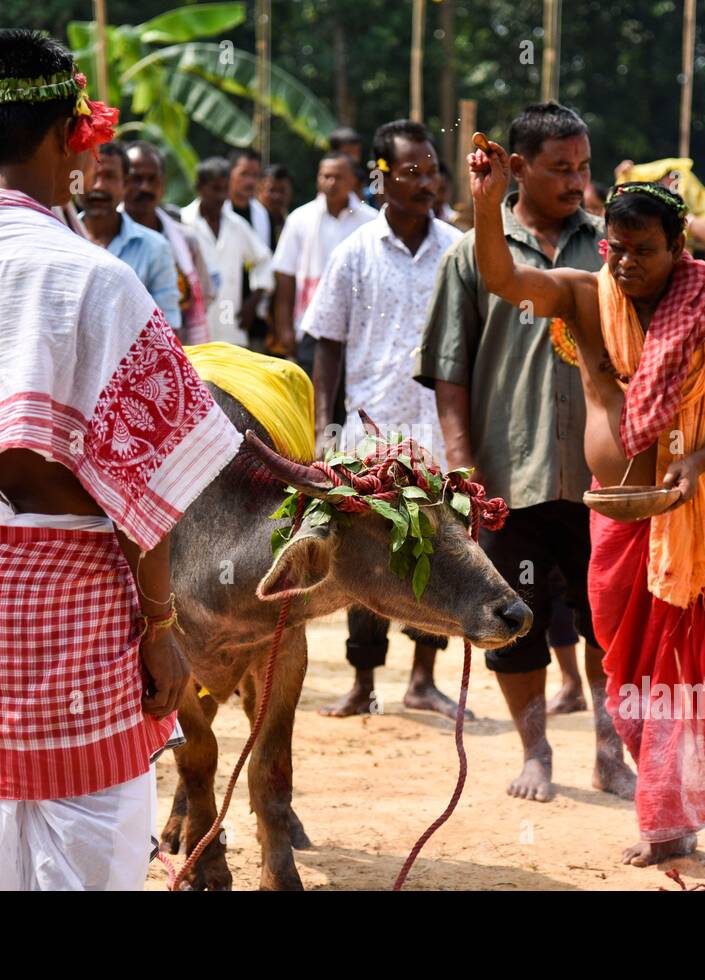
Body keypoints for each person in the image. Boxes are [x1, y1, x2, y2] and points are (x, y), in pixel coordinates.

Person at [0, 29, 241, 890]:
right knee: (91, 837)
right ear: (74, 137)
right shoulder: (92, 279)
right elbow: (148, 490)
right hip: (82, 600)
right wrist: (161, 629)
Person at [470, 139, 705, 865]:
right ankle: (669, 817)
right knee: (632, 666)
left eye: (642, 252)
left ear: (677, 249)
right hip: (617, 517)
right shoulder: (583, 293)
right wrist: (484, 200)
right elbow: (502, 276)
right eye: (616, 248)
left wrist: (698, 461)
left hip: (704, 513)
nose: (625, 264)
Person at [418, 103, 633, 803]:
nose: (578, 182)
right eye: (561, 169)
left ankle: (610, 752)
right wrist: (462, 465)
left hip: (603, 475)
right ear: (518, 168)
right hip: (508, 475)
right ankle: (535, 753)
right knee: (516, 620)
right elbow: (450, 370)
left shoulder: (613, 250)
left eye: (585, 167)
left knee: (609, 622)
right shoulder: (471, 254)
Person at [301, 119, 462, 720]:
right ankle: (363, 683)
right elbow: (329, 347)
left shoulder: (458, 250)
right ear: (382, 177)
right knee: (365, 557)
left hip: (440, 429)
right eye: (411, 171)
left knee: (440, 552)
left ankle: (424, 677)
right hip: (370, 434)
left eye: (432, 169)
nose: (426, 182)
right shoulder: (353, 253)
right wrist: (324, 428)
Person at [271, 152, 376, 363]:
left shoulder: (371, 222)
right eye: (325, 176)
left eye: (338, 177)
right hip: (309, 325)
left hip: (359, 328)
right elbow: (285, 277)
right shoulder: (299, 219)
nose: (330, 182)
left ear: (353, 181)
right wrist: (284, 329)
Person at [79, 141, 181, 331]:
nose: (99, 186)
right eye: (90, 174)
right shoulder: (61, 240)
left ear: (125, 184)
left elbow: (168, 327)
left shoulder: (155, 248)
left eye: (109, 176)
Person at [122, 141, 213, 345]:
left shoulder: (186, 241)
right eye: (135, 178)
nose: (144, 187)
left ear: (162, 185)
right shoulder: (98, 234)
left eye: (152, 179)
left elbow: (204, 295)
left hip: (179, 347)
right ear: (121, 179)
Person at [181, 157, 273, 347]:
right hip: (193, 324)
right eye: (215, 189)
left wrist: (253, 302)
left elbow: (264, 260)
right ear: (200, 187)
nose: (220, 196)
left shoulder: (237, 226)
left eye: (224, 189)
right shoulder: (183, 222)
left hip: (230, 322)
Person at [258, 163, 293, 246]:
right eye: (271, 190)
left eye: (282, 191)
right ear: (259, 190)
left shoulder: (295, 225)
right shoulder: (246, 223)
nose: (277, 196)